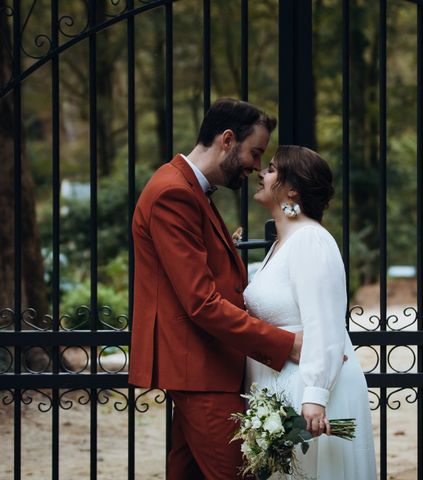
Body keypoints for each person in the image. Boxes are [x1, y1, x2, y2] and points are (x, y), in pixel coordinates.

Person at [128, 98, 303, 480]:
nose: (257, 166)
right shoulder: (173, 193)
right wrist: (285, 343)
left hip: (204, 368)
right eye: (255, 152)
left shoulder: (191, 189)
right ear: (227, 139)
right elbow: (202, 303)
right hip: (201, 370)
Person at [244, 145, 376, 479]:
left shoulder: (310, 241)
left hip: (308, 392)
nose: (261, 172)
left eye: (271, 168)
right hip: (277, 385)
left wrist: (316, 397)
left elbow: (325, 323)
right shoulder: (281, 243)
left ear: (291, 189)